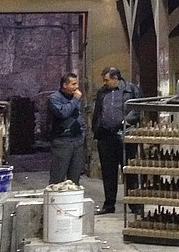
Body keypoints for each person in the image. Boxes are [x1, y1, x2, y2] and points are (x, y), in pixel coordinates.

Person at [92, 67, 142, 214]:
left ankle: (134, 204)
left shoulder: (130, 90)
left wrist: (126, 122)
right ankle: (109, 204)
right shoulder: (102, 92)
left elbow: (138, 108)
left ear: (115, 79)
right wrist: (96, 127)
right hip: (106, 136)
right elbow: (98, 111)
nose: (104, 83)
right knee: (108, 172)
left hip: (125, 136)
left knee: (129, 170)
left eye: (107, 80)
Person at [48, 72, 86, 185]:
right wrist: (75, 100)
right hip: (62, 141)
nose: (76, 87)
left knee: (74, 179)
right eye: (73, 84)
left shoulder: (75, 97)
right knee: (58, 177)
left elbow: (79, 116)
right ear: (65, 85)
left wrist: (82, 132)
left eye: (77, 83)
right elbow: (63, 113)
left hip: (77, 140)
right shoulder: (54, 98)